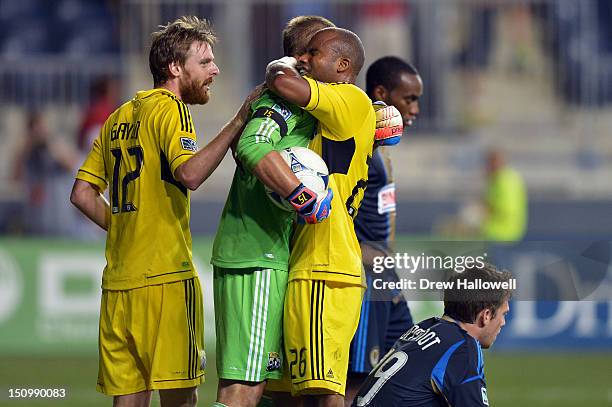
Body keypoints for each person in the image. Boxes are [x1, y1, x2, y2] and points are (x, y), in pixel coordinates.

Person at [70, 16, 251, 407]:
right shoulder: (171, 109)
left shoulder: (118, 116)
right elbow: (189, 173)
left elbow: (83, 194)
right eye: (204, 63)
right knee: (180, 400)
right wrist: (238, 121)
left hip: (119, 283)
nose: (215, 70)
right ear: (175, 68)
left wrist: (123, 230)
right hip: (166, 280)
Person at [210, 16, 335, 407]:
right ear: (305, 59)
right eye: (329, 52)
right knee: (243, 389)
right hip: (256, 253)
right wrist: (303, 197)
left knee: (273, 390)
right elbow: (251, 146)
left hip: (271, 254)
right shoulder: (280, 102)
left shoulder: (304, 106)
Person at [265, 27, 376, 406]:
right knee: (301, 390)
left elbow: (283, 82)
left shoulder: (348, 98)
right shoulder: (336, 110)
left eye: (315, 53)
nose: (305, 59)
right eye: (304, 53)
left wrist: (284, 64)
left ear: (343, 64)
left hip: (323, 263)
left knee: (323, 392)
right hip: (318, 262)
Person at [346, 56, 423, 406]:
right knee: (355, 381)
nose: (416, 109)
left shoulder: (381, 148)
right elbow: (336, 213)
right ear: (381, 93)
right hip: (363, 279)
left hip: (385, 277)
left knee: (412, 364)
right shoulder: (358, 146)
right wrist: (361, 253)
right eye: (409, 98)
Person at [353, 263, 513, 406]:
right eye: (503, 314)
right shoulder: (462, 347)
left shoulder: (424, 328)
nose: (503, 322)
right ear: (486, 315)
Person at [481, 149, 527, 241]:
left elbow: (506, 211)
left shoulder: (506, 181)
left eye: (489, 163)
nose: (486, 167)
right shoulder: (497, 180)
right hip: (497, 230)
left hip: (503, 233)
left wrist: (479, 212)